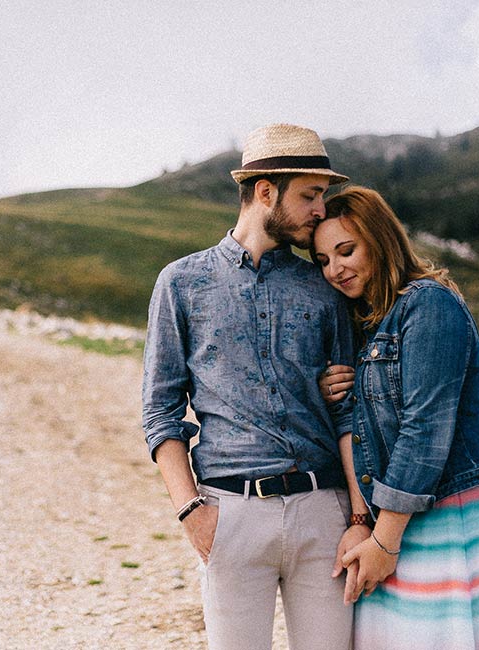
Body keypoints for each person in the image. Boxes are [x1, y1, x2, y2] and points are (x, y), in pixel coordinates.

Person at [142, 124, 362, 650]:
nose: (319, 211)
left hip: (322, 512)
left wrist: (356, 516)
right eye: (310, 195)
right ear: (266, 190)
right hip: (230, 513)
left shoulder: (324, 285)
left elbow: (351, 414)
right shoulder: (182, 283)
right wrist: (192, 513)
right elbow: (160, 411)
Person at [315, 186, 479, 649]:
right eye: (323, 260)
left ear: (381, 239)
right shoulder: (365, 320)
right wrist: (363, 522)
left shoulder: (429, 305)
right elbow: (359, 428)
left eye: (346, 251)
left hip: (445, 506)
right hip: (392, 514)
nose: (335, 269)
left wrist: (384, 542)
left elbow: (425, 429)